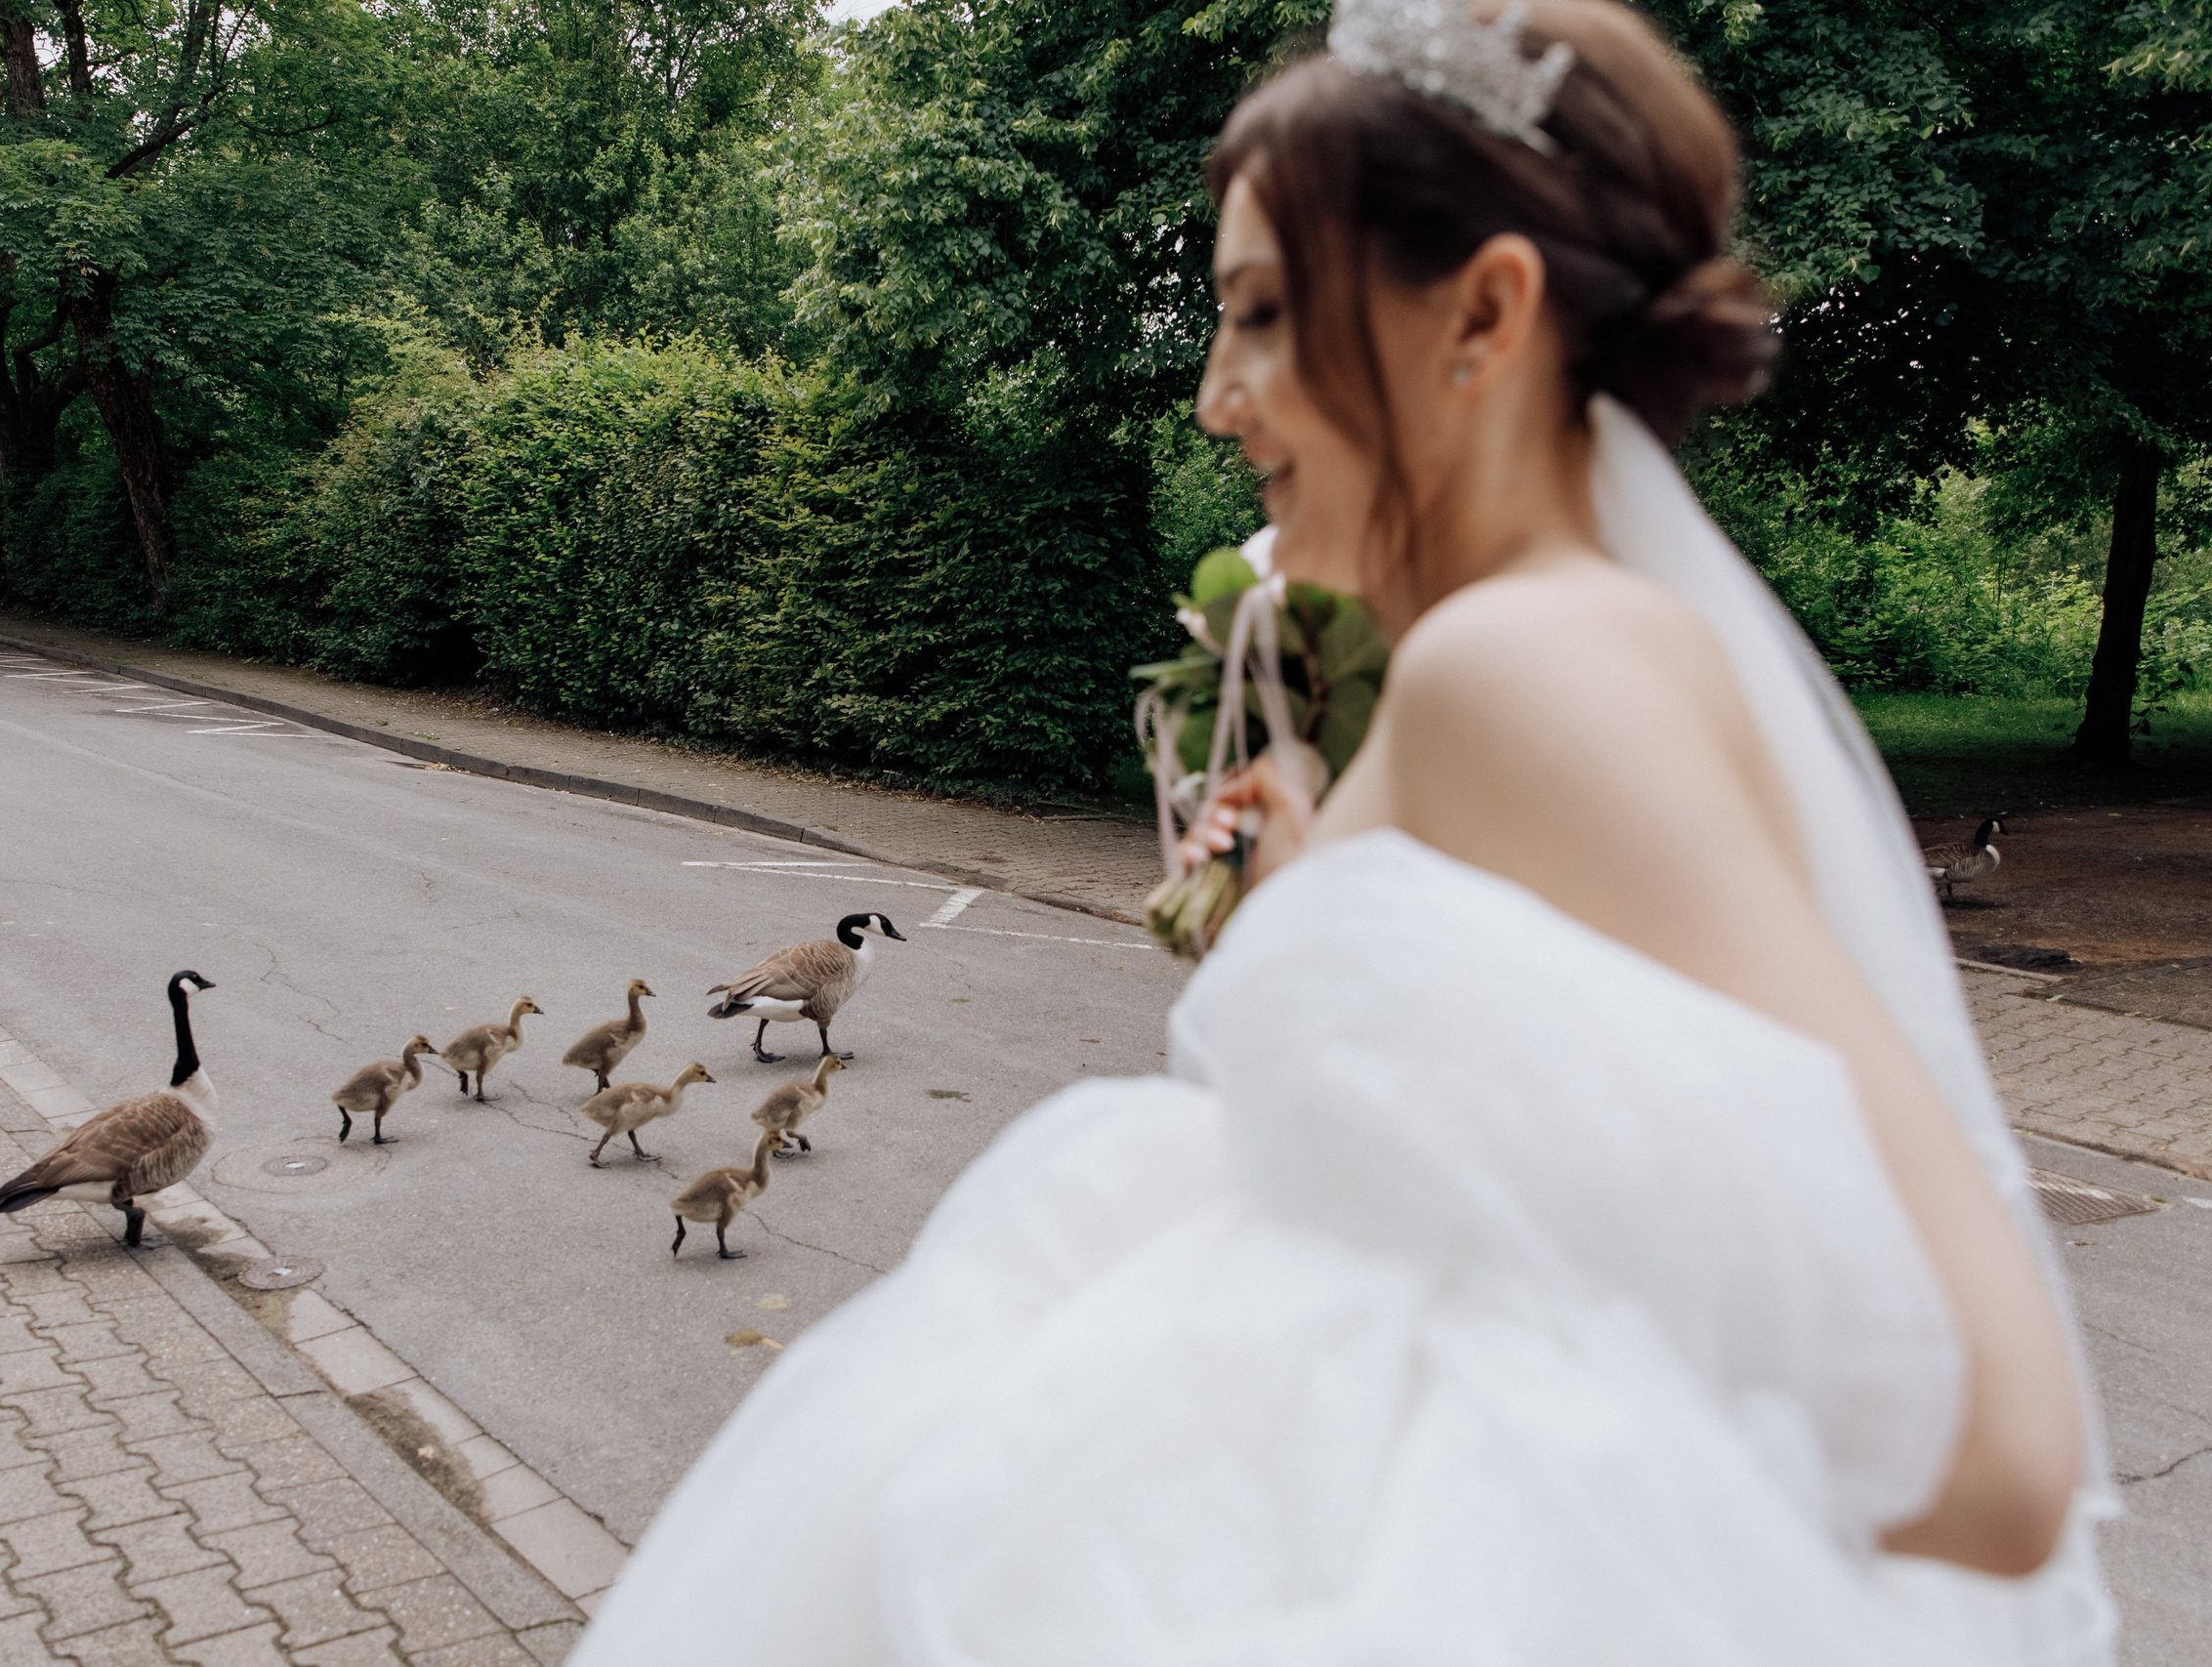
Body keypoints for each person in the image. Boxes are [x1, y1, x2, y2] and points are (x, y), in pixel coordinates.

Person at [570, 2, 2116, 1660]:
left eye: (1259, 314)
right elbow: (1583, 1147)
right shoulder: (1559, 653)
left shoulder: (1516, 664)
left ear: (1485, 312)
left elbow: (1997, 1448)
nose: (1216, 396)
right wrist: (1309, 896)